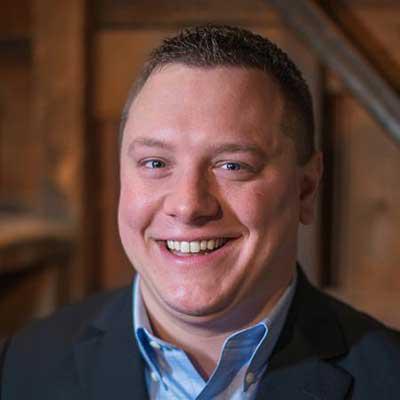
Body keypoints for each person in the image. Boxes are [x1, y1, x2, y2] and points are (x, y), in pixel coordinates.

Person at [1, 25, 399, 400]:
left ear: (306, 189)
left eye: (233, 165)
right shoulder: (22, 366)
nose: (188, 205)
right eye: (156, 163)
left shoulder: (389, 378)